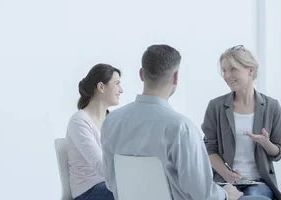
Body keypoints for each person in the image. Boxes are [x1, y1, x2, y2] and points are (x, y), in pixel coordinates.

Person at [100, 44, 252, 200]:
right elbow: (203, 195)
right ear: (175, 77)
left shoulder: (111, 121)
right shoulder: (181, 128)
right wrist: (227, 194)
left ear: (141, 74)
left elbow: (112, 183)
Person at [202, 45, 281, 200]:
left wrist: (266, 143)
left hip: (258, 182)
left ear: (250, 70)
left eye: (233, 69)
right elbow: (209, 149)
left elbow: (278, 152)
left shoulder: (272, 106)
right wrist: (227, 175)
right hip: (224, 181)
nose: (227, 76)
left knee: (253, 198)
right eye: (224, 70)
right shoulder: (215, 106)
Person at [66, 63, 123, 200]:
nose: (121, 90)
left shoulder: (112, 120)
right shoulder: (79, 121)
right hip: (88, 191)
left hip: (111, 185)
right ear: (101, 87)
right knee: (133, 191)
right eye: (117, 83)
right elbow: (101, 166)